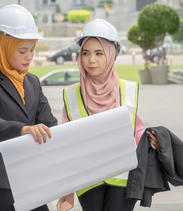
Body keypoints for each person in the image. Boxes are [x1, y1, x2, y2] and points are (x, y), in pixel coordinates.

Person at [57, 19, 158, 211]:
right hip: (88, 178)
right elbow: (66, 140)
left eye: (98, 53)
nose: (91, 60)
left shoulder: (127, 89)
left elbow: (136, 131)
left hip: (123, 175)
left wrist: (150, 139)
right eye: (85, 53)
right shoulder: (71, 94)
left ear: (111, 55)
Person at [0, 4, 57, 211]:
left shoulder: (33, 82)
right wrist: (24, 129)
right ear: (4, 47)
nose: (29, 57)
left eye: (32, 50)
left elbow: (49, 124)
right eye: (22, 51)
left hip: (28, 178)